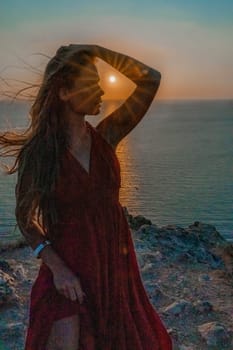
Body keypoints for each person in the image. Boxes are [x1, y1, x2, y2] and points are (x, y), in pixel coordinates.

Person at [0, 44, 172, 349]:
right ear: (65, 92)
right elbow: (25, 217)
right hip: (70, 266)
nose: (102, 91)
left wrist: (97, 51)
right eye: (92, 84)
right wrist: (57, 267)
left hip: (114, 268)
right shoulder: (40, 153)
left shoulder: (107, 135)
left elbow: (150, 80)